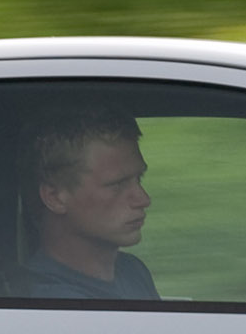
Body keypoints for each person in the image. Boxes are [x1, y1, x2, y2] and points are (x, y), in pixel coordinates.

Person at [20, 106, 159, 300]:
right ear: (55, 197)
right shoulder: (52, 301)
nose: (144, 199)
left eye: (139, 179)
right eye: (117, 185)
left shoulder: (132, 271)